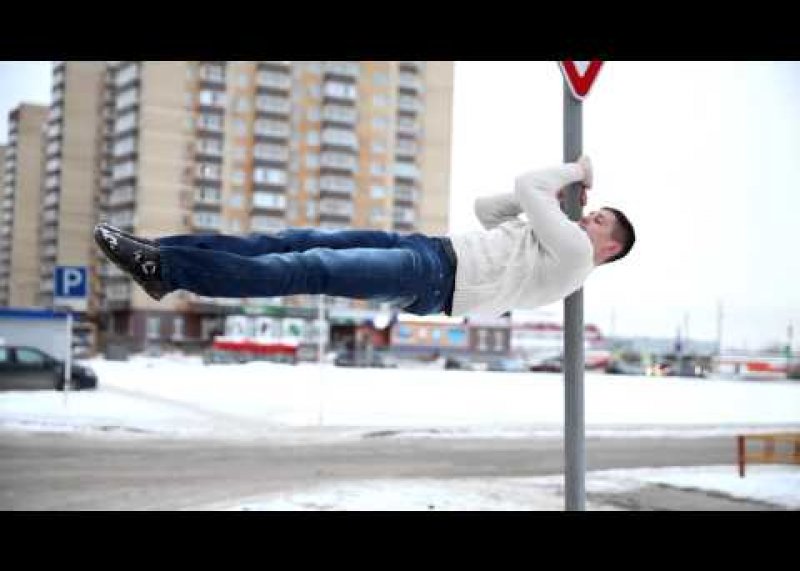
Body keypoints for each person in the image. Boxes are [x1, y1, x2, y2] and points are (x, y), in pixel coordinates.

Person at [94, 156, 634, 318]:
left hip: (437, 278)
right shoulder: (550, 240)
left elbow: (527, 182)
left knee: (310, 266)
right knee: (293, 240)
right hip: (430, 250)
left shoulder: (575, 258)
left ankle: (166, 271)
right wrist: (546, 203)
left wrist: (576, 173)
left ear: (608, 248)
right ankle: (160, 255)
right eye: (593, 215)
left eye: (599, 221)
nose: (588, 220)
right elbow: (489, 207)